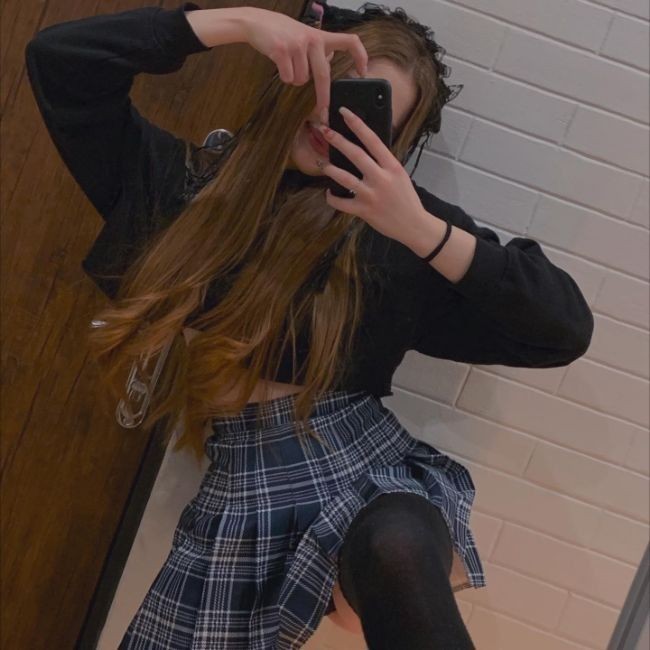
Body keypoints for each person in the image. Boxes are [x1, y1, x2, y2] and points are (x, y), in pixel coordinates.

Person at [24, 2, 594, 648]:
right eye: (335, 88)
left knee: (396, 546)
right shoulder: (182, 190)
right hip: (242, 482)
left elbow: (560, 330)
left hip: (360, 464)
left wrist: (423, 230)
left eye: (367, 117)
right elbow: (61, 63)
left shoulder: (394, 236)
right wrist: (237, 24)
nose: (332, 123)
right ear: (300, 72)